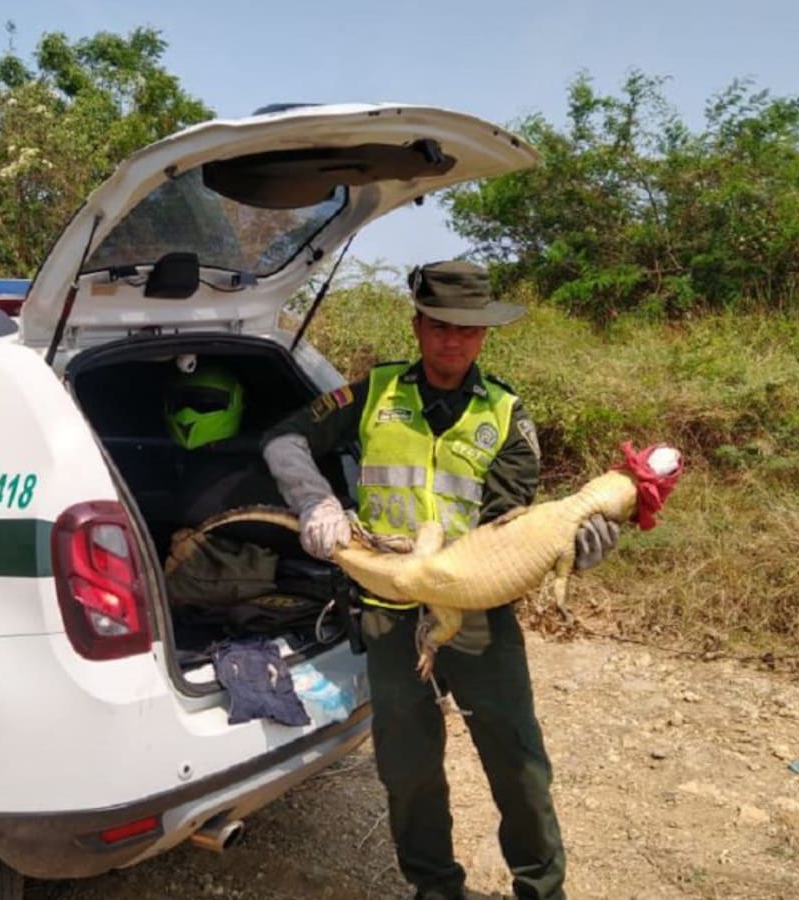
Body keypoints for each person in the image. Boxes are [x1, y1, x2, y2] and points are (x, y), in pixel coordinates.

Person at [261, 260, 619, 900]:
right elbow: (285, 438)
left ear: (484, 336)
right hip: (388, 611)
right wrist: (314, 501)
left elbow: (513, 526)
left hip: (479, 616)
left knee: (520, 766)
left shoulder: (507, 414)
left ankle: (542, 888)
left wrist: (572, 544)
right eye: (440, 326)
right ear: (418, 325)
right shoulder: (372, 393)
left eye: (468, 331)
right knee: (408, 771)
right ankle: (434, 889)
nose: (453, 342)